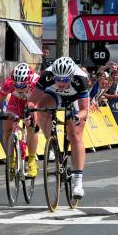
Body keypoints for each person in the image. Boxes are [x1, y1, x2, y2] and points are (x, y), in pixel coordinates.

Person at [30, 57, 91, 199]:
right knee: (42, 108)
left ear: (71, 76)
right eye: (58, 79)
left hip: (75, 99)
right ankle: (51, 143)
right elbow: (32, 101)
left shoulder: (80, 79)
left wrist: (77, 117)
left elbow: (84, 110)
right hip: (54, 94)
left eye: (65, 80)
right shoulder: (47, 76)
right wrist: (30, 111)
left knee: (75, 135)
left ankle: (78, 183)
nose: (61, 82)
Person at [0, 63, 41, 177]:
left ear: (28, 81)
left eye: (22, 86)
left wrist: (33, 120)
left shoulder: (36, 83)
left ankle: (31, 160)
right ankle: (11, 158)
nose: (19, 88)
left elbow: (36, 106)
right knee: (7, 126)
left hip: (32, 102)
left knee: (31, 127)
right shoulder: (9, 84)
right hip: (16, 102)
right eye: (16, 86)